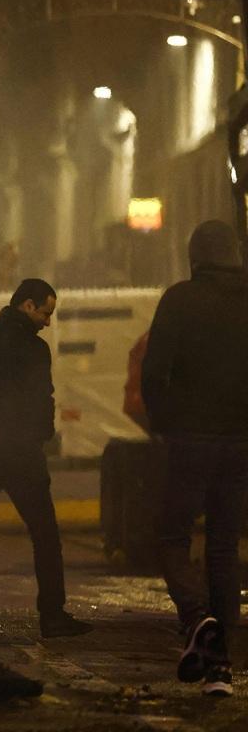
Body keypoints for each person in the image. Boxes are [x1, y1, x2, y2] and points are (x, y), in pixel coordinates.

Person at [0, 278, 92, 639]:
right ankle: (52, 616)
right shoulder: (35, 351)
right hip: (21, 453)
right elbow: (43, 401)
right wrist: (40, 437)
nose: (48, 321)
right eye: (45, 312)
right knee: (44, 534)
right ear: (27, 305)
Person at [141, 219, 248, 697]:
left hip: (188, 439)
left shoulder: (179, 299)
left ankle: (197, 618)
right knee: (224, 546)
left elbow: (152, 373)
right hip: (240, 442)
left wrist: (163, 424)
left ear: (195, 256)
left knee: (170, 536)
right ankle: (221, 666)